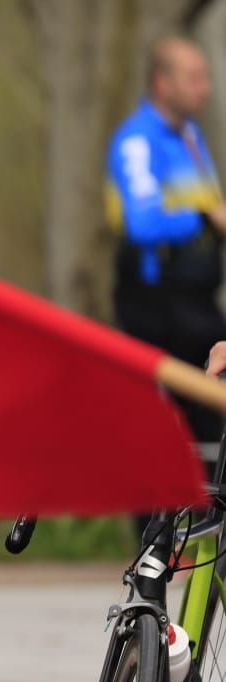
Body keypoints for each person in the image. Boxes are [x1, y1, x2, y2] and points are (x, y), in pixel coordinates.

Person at [109, 36, 226, 457]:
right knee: (161, 426)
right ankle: (153, 526)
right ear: (163, 83)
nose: (205, 88)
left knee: (210, 421)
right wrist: (203, 219)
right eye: (194, 78)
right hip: (155, 307)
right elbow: (142, 223)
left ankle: (206, 521)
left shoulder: (190, 135)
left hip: (198, 302)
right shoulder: (137, 140)